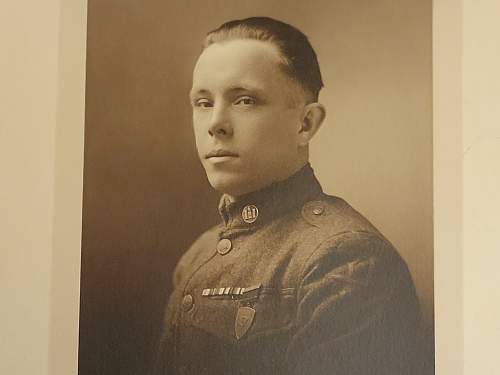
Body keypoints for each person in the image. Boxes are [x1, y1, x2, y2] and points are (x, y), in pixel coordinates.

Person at [153, 16, 421, 375]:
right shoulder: (196, 257)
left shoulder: (346, 261)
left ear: (305, 124)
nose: (215, 123)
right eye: (203, 102)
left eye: (245, 100)